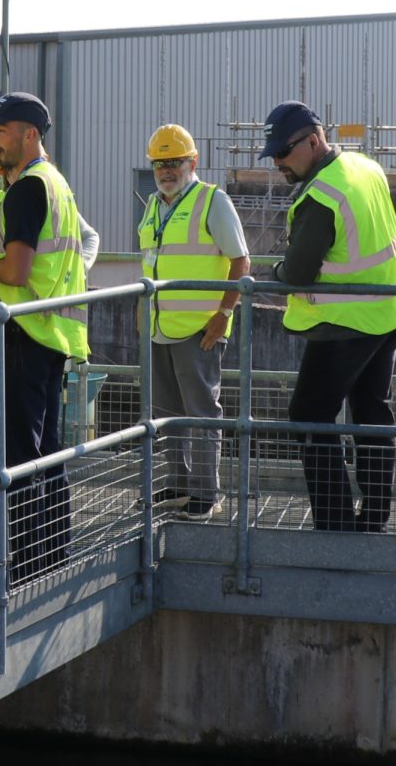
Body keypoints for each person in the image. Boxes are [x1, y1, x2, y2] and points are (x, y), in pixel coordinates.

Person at [0, 92, 88, 583]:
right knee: (46, 453)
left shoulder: (28, 187)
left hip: (25, 335)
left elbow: (18, 268)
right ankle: (50, 559)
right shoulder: (57, 183)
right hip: (50, 335)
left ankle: (21, 571)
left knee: (20, 458)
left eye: (1, 130)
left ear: (30, 134)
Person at [262, 101, 396, 533]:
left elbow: (295, 274)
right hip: (390, 310)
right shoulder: (365, 167)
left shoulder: (321, 196)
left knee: (309, 414)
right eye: (273, 155)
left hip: (346, 324)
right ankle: (374, 519)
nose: (278, 163)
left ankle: (333, 523)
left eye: (283, 153)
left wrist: (275, 269)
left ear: (313, 141)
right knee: (371, 413)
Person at [137, 123, 251, 521]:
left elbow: (241, 260)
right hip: (159, 327)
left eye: (175, 163)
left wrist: (224, 314)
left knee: (202, 411)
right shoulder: (154, 204)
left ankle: (206, 492)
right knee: (167, 411)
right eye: (159, 164)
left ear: (193, 162)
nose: (167, 171)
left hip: (200, 330)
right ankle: (179, 483)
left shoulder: (212, 201)